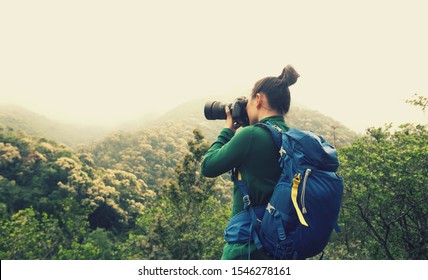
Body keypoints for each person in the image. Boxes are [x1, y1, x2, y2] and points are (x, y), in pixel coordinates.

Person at [201, 65, 300, 260]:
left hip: (246, 248)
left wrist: (228, 130)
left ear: (259, 99)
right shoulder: (293, 137)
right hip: (282, 248)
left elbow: (208, 166)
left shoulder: (251, 136)